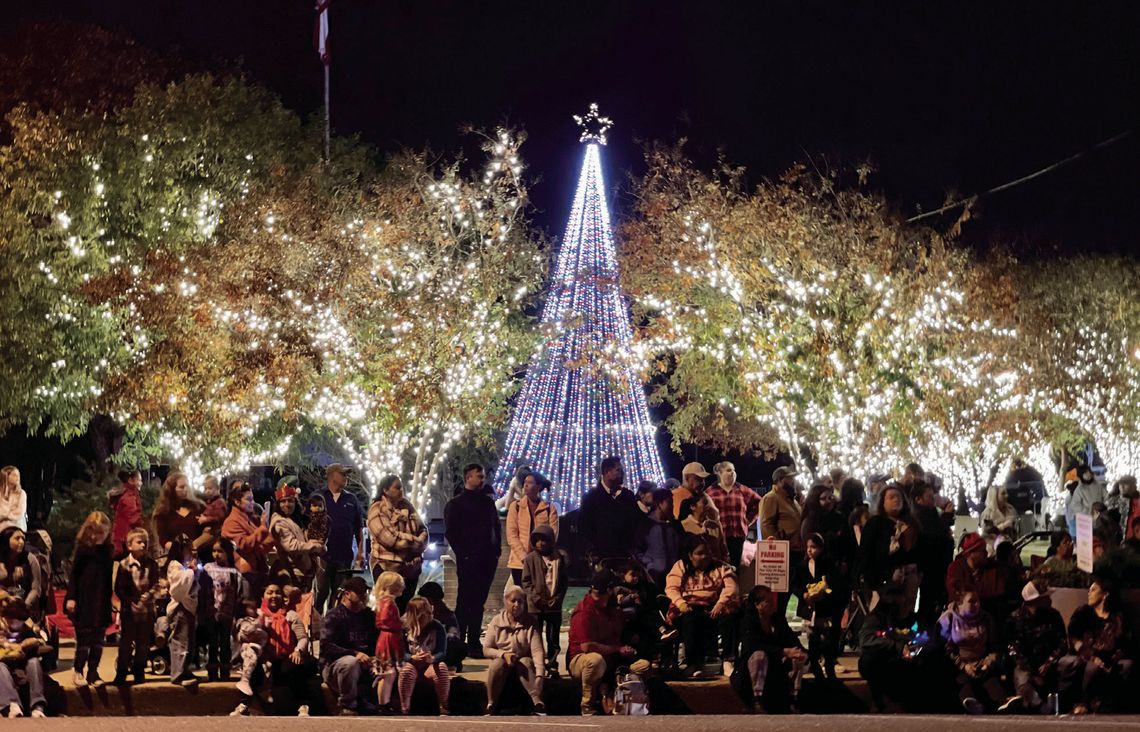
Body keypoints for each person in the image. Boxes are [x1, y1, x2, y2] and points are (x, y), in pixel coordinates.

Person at [665, 534, 740, 677]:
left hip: (714, 606)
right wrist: (681, 603)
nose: (705, 556)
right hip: (690, 607)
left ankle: (728, 660)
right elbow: (671, 588)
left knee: (730, 618)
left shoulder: (721, 567)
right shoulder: (681, 566)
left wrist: (720, 603)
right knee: (690, 621)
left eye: (707, 552)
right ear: (690, 555)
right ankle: (694, 663)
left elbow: (731, 586)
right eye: (699, 553)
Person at [444, 465, 499, 654]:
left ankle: (474, 642)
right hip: (467, 560)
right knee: (464, 600)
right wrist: (463, 554)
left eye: (483, 476)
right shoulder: (455, 505)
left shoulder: (487, 503)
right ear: (468, 477)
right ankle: (460, 640)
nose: (483, 479)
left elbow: (496, 529)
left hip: (486, 560)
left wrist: (496, 552)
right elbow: (451, 532)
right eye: (479, 476)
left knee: (478, 602)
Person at [1059, 579, 1134, 714]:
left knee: (1128, 665)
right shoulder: (1083, 612)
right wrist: (1091, 657)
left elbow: (1125, 642)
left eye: (1093, 590)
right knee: (1092, 668)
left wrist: (1113, 659)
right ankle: (1083, 702)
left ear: (1105, 594)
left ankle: (1113, 706)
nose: (1089, 593)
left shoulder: (1117, 618)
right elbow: (1073, 637)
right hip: (1086, 656)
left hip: (1109, 658)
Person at [567, 570, 635, 716]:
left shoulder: (612, 609)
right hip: (581, 660)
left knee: (642, 665)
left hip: (612, 657)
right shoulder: (584, 611)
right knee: (595, 660)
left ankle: (626, 701)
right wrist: (617, 649)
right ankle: (587, 705)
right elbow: (587, 646)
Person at [733, 585, 807, 713]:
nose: (773, 605)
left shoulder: (777, 619)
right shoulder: (748, 621)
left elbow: (790, 637)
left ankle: (794, 697)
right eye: (768, 602)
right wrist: (782, 651)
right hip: (752, 666)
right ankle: (757, 699)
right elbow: (752, 646)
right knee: (759, 656)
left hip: (775, 662)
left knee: (799, 657)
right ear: (757, 604)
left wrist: (799, 650)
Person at [937, 588, 1012, 714]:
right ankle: (970, 702)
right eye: (972, 601)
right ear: (960, 604)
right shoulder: (948, 620)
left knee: (990, 679)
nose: (977, 605)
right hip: (959, 664)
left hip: (981, 662)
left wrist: (988, 662)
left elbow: (995, 646)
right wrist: (963, 666)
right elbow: (945, 650)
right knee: (962, 679)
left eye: (978, 601)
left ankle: (1004, 702)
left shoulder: (986, 619)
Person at [247, 583, 315, 717]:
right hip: (264, 659)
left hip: (284, 659)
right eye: (270, 592)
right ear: (263, 597)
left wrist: (298, 650)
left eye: (277, 593)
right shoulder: (257, 616)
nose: (274, 596)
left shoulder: (291, 615)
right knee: (251, 667)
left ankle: (303, 705)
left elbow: (303, 638)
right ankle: (249, 704)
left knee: (295, 666)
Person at [66, 511, 113, 688]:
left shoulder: (107, 551)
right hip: (84, 600)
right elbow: (74, 575)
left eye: (103, 532)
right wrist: (71, 597)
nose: (99, 536)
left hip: (101, 600)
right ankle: (78, 670)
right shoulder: (83, 549)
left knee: (99, 640)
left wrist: (111, 601)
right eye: (96, 532)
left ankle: (94, 671)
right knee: (84, 639)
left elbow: (108, 578)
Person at [1006, 580, 1067, 713]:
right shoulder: (1015, 619)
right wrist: (1032, 673)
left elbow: (1062, 643)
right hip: (1028, 666)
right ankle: (1039, 705)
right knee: (1022, 677)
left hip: (1049, 662)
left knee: (1069, 663)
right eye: (1045, 597)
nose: (1049, 599)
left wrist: (1049, 662)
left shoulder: (1054, 616)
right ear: (1034, 601)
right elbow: (1014, 650)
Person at [484, 585, 546, 716]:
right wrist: (502, 654)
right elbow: (487, 648)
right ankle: (491, 703)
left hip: (522, 661)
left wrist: (540, 674)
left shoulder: (531, 622)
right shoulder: (496, 621)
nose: (516, 605)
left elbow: (537, 650)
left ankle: (537, 701)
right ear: (506, 601)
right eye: (513, 601)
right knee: (496, 665)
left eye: (520, 601)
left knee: (526, 662)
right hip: (503, 659)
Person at [320, 576, 378, 715]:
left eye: (365, 592)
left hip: (365, 661)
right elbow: (326, 646)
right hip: (334, 665)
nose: (364, 595)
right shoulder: (334, 616)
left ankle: (380, 704)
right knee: (350, 663)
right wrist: (355, 654)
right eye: (359, 593)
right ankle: (348, 706)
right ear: (347, 594)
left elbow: (375, 642)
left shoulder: (368, 616)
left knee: (386, 665)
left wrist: (374, 657)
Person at [791, 533, 846, 680]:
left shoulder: (829, 564)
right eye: (808, 547)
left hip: (825, 608)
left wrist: (823, 592)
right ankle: (815, 666)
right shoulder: (802, 565)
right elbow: (795, 585)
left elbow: (834, 583)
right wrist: (803, 594)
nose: (810, 550)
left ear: (821, 548)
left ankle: (828, 664)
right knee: (812, 638)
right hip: (809, 609)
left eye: (813, 547)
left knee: (827, 639)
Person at [314, 464, 365, 613]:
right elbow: (308, 525)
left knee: (340, 595)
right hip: (322, 557)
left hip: (344, 556)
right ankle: (316, 627)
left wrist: (360, 553)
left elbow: (359, 529)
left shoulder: (351, 499)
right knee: (320, 594)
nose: (346, 477)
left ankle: (335, 625)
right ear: (331, 476)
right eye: (343, 474)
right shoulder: (318, 497)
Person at [113, 527, 160, 685]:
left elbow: (156, 583)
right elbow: (119, 588)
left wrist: (150, 594)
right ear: (130, 545)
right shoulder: (124, 565)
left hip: (146, 610)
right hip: (129, 611)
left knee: (143, 643)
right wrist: (130, 601)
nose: (143, 545)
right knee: (126, 643)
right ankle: (121, 673)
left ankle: (139, 672)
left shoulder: (152, 565)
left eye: (145, 542)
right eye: (139, 542)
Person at [861, 485, 919, 614]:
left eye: (899, 497)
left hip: (908, 578)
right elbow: (868, 554)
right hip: (882, 577)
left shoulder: (911, 525)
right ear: (883, 502)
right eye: (891, 497)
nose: (896, 500)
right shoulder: (875, 523)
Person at [520, 524, 567, 677]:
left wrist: (558, 599)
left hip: (554, 606)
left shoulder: (559, 559)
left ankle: (552, 665)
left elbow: (564, 583)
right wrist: (536, 598)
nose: (540, 543)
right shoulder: (530, 559)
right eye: (537, 540)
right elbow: (526, 582)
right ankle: (537, 665)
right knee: (535, 636)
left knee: (553, 638)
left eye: (544, 540)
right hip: (536, 606)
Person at [578, 456, 641, 561]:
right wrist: (593, 551)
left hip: (627, 558)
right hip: (603, 558)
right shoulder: (591, 498)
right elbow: (584, 527)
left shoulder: (628, 496)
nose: (623, 473)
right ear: (607, 472)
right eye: (618, 470)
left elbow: (637, 523)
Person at [911, 481, 954, 628]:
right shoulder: (920, 515)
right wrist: (946, 518)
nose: (933, 500)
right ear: (918, 499)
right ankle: (924, 634)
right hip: (930, 566)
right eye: (929, 496)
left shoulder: (932, 513)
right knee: (928, 603)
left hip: (937, 565)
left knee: (933, 602)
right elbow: (933, 536)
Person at [222, 482, 275, 601]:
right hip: (245, 574)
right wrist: (262, 529)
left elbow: (263, 545)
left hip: (257, 571)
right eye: (249, 500)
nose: (252, 503)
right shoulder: (232, 522)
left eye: (253, 499)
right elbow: (245, 545)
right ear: (237, 502)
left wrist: (268, 535)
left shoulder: (249, 519)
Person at [398, 597, 450, 716]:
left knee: (441, 667)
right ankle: (405, 708)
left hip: (429, 665)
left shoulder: (437, 627)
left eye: (430, 612)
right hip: (412, 664)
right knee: (407, 671)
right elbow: (400, 653)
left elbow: (442, 652)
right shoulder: (405, 628)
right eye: (425, 613)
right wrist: (412, 658)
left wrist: (433, 659)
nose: (429, 616)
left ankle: (444, 706)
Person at [269, 481, 325, 591]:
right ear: (278, 504)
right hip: (292, 574)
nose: (287, 504)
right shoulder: (279, 522)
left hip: (304, 572)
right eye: (283, 501)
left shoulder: (295, 520)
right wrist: (312, 546)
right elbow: (291, 546)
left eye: (290, 501)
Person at [505, 470, 559, 585]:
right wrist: (524, 557)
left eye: (530, 482)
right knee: (521, 597)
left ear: (538, 486)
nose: (526, 485)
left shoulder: (549, 508)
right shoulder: (516, 507)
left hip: (542, 561)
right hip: (519, 563)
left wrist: (540, 555)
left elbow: (552, 534)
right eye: (525, 482)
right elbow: (512, 535)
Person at [200, 537, 241, 682]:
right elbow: (203, 590)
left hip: (227, 613)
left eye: (220, 551)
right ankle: (212, 672)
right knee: (212, 642)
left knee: (225, 643)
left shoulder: (233, 571)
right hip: (211, 612)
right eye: (214, 551)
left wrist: (233, 611)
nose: (217, 554)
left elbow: (236, 592)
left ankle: (224, 671)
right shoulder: (207, 568)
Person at [706, 462, 762, 568]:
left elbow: (759, 502)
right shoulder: (710, 492)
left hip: (737, 536)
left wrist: (748, 520)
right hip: (718, 537)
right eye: (728, 470)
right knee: (720, 568)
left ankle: (735, 584)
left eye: (733, 470)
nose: (732, 473)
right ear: (720, 473)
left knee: (735, 568)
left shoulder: (742, 490)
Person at [0, 599, 49, 717]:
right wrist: (7, 646)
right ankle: (12, 705)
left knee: (34, 662)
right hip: (4, 660)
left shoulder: (28, 628)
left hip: (23, 661)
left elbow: (44, 642)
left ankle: (38, 707)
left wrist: (27, 645)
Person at [165, 533, 202, 687]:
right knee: (180, 642)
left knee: (189, 642)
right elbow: (178, 588)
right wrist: (191, 572)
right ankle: (178, 674)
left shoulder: (186, 565)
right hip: (180, 607)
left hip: (189, 607)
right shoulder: (175, 565)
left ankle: (185, 669)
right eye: (188, 549)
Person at [760, 467, 805, 576]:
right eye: (790, 478)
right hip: (786, 553)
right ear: (780, 480)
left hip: (797, 550)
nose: (793, 481)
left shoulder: (791, 499)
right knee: (788, 589)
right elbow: (766, 525)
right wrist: (779, 549)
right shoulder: (771, 498)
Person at [634, 488, 682, 587]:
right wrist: (649, 565)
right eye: (669, 503)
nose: (672, 506)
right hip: (655, 578)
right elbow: (638, 549)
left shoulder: (676, 525)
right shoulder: (646, 525)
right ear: (659, 504)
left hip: (675, 577)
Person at [800, 483, 853, 570]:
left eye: (830, 498)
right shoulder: (810, 522)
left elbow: (846, 540)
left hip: (839, 566)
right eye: (823, 499)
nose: (828, 501)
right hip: (819, 566)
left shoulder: (839, 517)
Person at [372, 569, 406, 707]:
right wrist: (400, 624)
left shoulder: (382, 601)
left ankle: (385, 702)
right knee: (388, 674)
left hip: (388, 638)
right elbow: (385, 620)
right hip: (389, 639)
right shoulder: (388, 602)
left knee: (388, 673)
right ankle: (383, 704)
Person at [153, 471, 206, 553]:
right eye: (181, 487)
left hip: (200, 555)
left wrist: (193, 546)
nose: (185, 489)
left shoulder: (198, 507)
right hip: (176, 558)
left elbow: (210, 531)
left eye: (186, 486)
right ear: (172, 490)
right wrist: (180, 551)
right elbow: (163, 540)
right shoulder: (163, 512)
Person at [418, 582, 465, 671]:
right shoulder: (418, 612)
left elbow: (454, 635)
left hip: (440, 647)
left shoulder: (447, 615)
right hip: (422, 647)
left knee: (460, 647)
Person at [0, 527, 41, 613]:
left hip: (24, 606)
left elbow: (36, 588)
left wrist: (24, 605)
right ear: (6, 540)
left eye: (23, 538)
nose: (21, 542)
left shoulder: (30, 559)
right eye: (17, 538)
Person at [109, 469, 144, 558]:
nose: (141, 483)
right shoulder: (128, 497)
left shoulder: (129, 495)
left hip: (123, 540)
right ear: (131, 480)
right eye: (139, 480)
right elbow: (133, 519)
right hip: (124, 541)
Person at [1066, 465, 1107, 536]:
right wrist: (1088, 512)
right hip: (1086, 521)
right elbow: (1075, 505)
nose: (1088, 475)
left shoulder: (1098, 485)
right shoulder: (1079, 489)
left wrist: (1104, 507)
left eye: (1089, 472)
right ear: (1081, 476)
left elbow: (1106, 496)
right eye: (1085, 473)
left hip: (1101, 517)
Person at [0, 467, 27, 532]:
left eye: (18, 475)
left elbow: (19, 512)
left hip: (17, 526)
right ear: (6, 476)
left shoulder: (22, 493)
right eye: (14, 475)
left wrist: (4, 515)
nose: (18, 477)